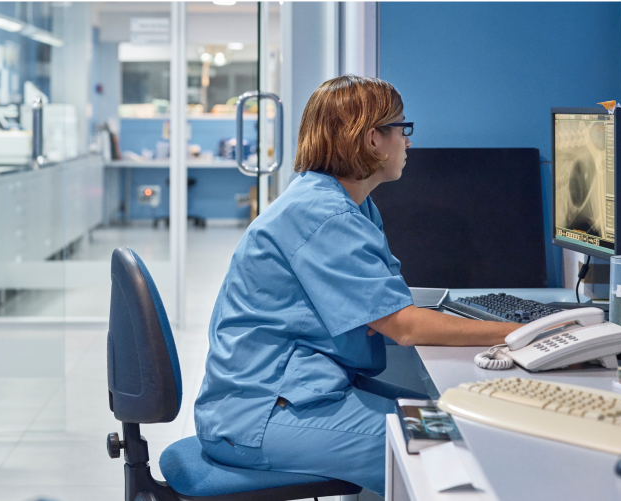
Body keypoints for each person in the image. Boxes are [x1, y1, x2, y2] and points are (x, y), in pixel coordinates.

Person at [193, 75, 519, 496]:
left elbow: (380, 309)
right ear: (372, 140)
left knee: (451, 419)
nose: (408, 142)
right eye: (403, 129)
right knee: (454, 449)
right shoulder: (325, 215)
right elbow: (404, 327)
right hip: (259, 417)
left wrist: (395, 318)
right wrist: (524, 332)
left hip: (294, 393)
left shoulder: (347, 204)